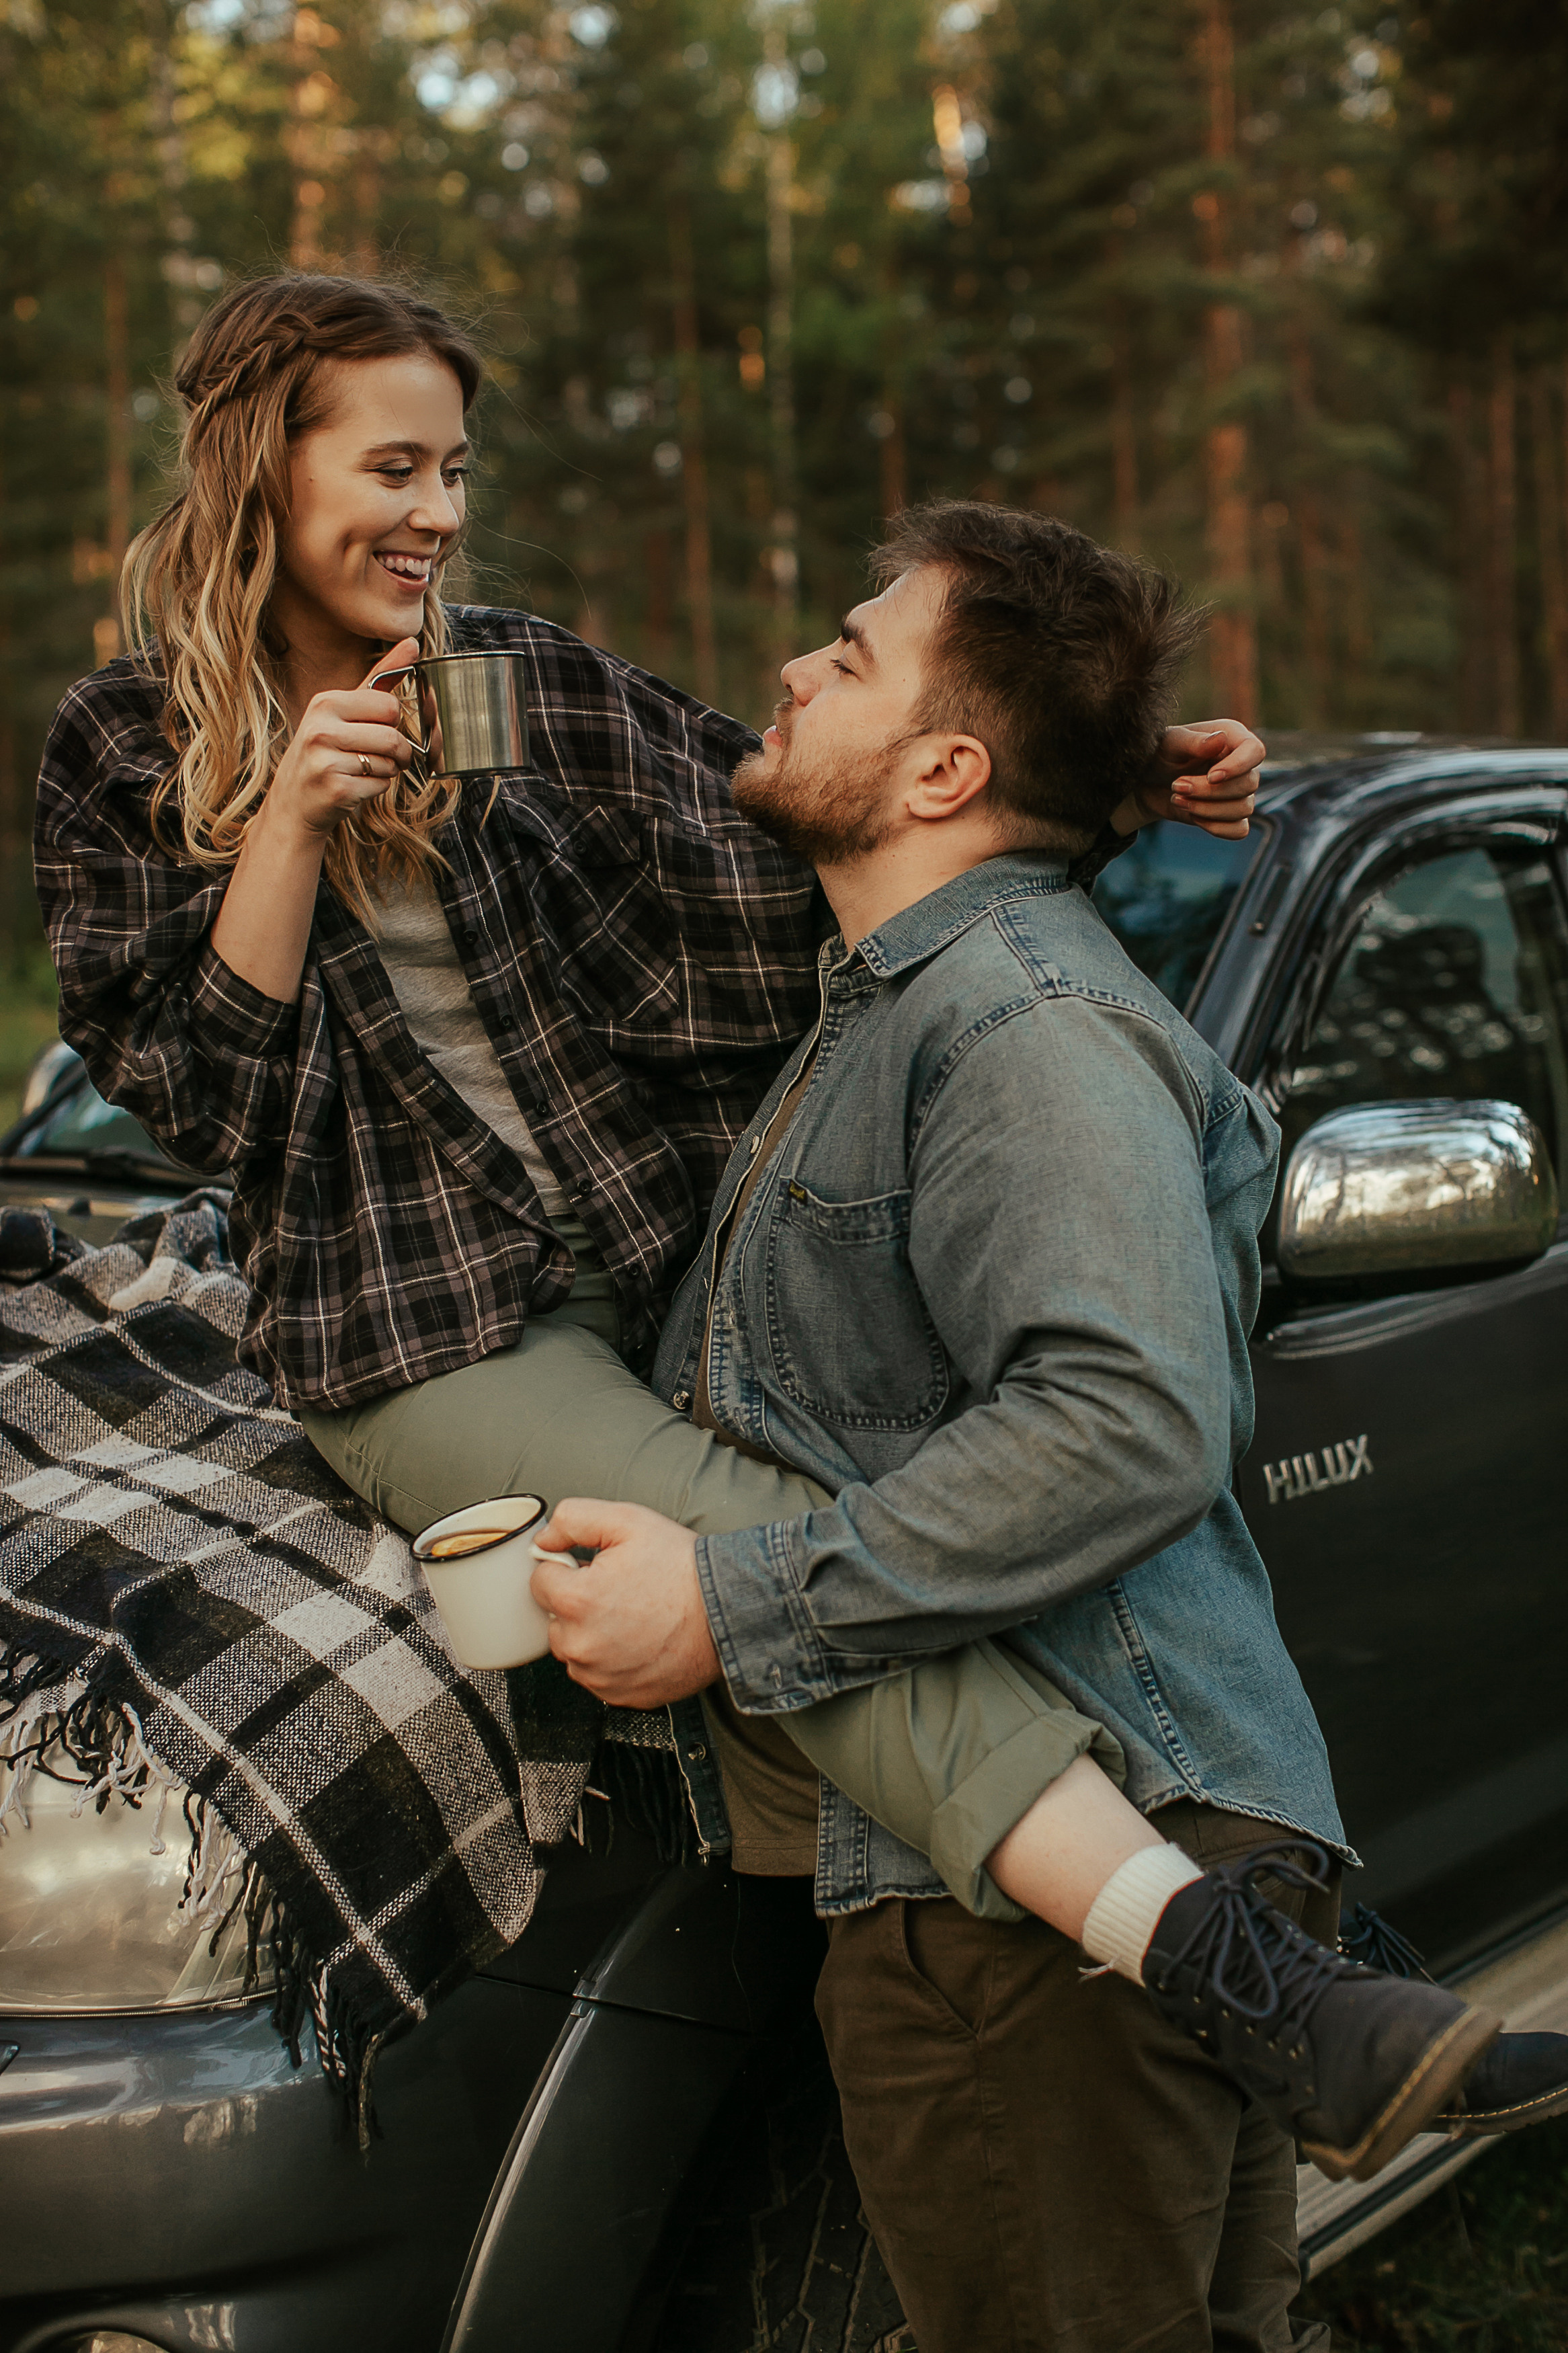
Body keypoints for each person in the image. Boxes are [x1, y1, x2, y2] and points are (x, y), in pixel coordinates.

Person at [34, 274, 1563, 2348]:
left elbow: (828, 830)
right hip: (428, 1335)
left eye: (455, 472)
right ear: (262, 464)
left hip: (649, 1286)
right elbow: (199, 1088)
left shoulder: (521, 684)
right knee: (789, 1575)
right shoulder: (130, 743)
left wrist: (1101, 776)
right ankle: (1239, 1965)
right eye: (390, 467)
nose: (435, 516)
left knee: (822, 1572)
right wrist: (289, 819)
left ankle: (1241, 1967)